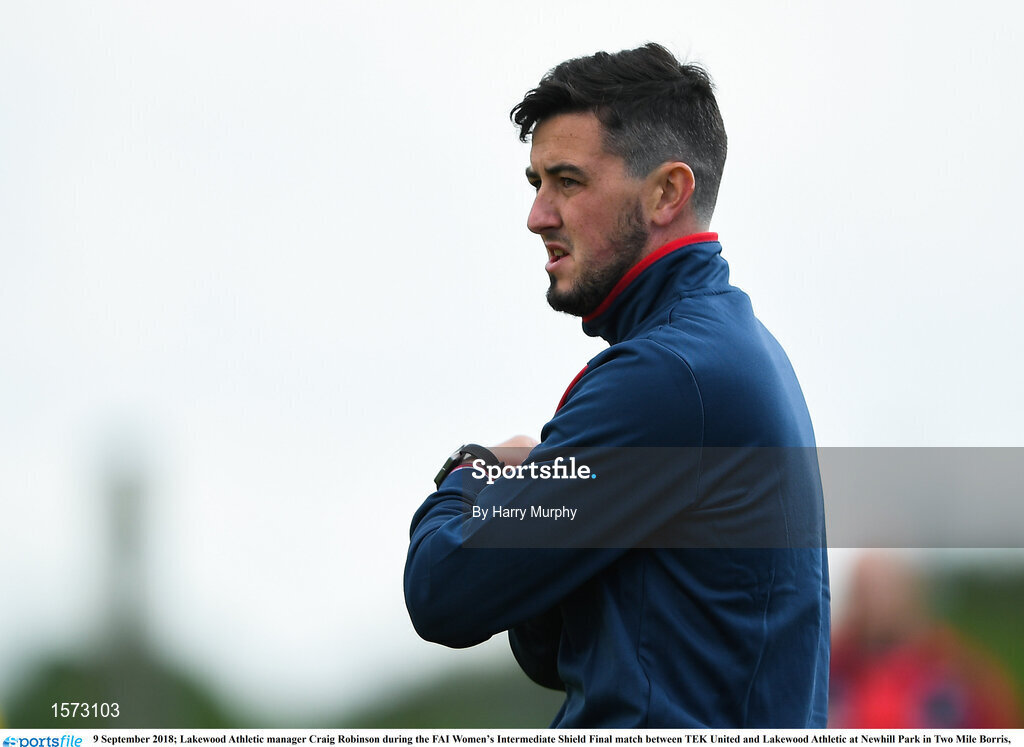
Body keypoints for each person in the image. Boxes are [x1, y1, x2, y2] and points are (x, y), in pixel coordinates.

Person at [404, 43, 829, 728]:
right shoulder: (726, 353)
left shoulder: (668, 378)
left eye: (567, 182)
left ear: (667, 192)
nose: (538, 215)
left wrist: (473, 473)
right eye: (536, 183)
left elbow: (444, 590)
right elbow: (562, 647)